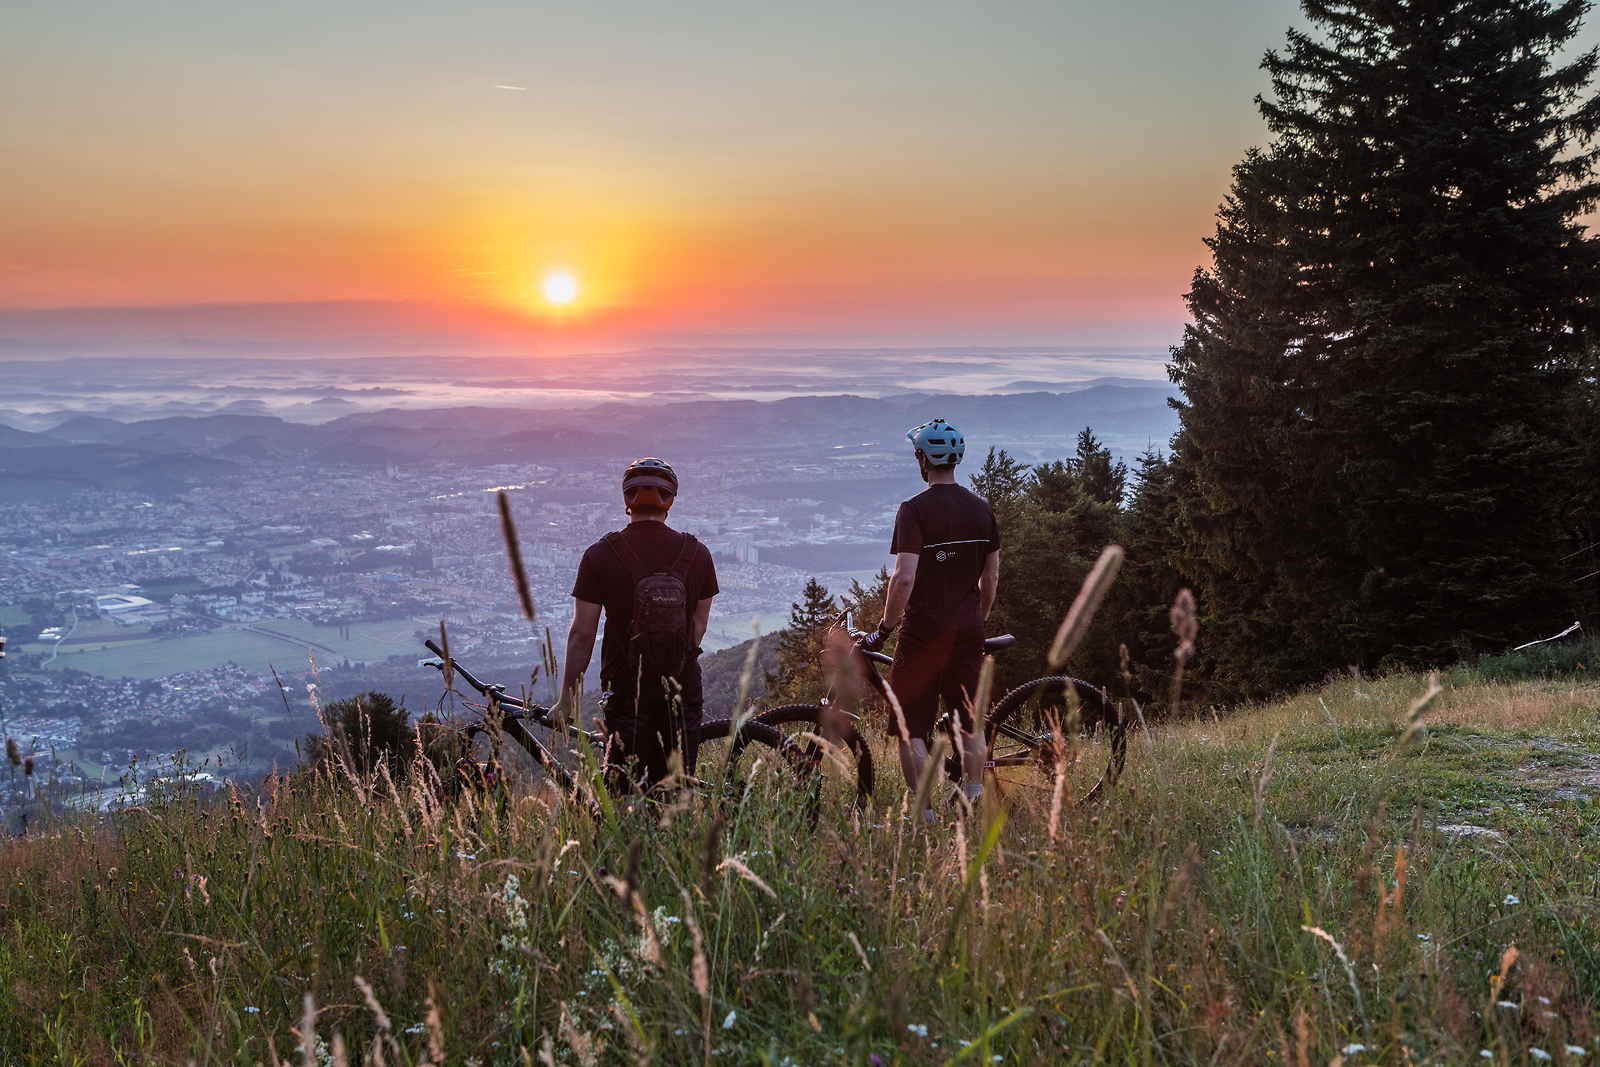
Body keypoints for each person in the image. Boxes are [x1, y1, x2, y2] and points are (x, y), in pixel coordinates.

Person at [861, 419, 1000, 822]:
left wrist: (884, 629)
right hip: (968, 631)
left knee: (911, 729)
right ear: (956, 459)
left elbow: (904, 577)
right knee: (970, 723)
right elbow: (990, 577)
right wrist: (978, 619)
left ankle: (924, 815)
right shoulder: (981, 510)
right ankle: (971, 802)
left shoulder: (914, 510)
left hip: (923, 634)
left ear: (922, 460)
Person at [553, 457, 719, 790]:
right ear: (669, 500)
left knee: (626, 790)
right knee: (676, 788)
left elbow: (582, 635)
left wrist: (566, 702)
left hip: (627, 690)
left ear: (627, 499)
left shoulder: (599, 555)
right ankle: (675, 838)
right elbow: (698, 626)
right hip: (682, 689)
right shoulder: (697, 553)